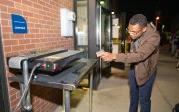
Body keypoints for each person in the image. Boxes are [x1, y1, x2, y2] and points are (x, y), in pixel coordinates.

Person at [97, 14, 160, 112]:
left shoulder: (154, 38)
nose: (130, 34)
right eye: (129, 30)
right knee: (133, 97)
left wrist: (114, 56)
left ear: (144, 29)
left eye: (134, 32)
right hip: (133, 69)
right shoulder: (135, 31)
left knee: (144, 100)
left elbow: (139, 55)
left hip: (147, 72)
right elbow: (133, 51)